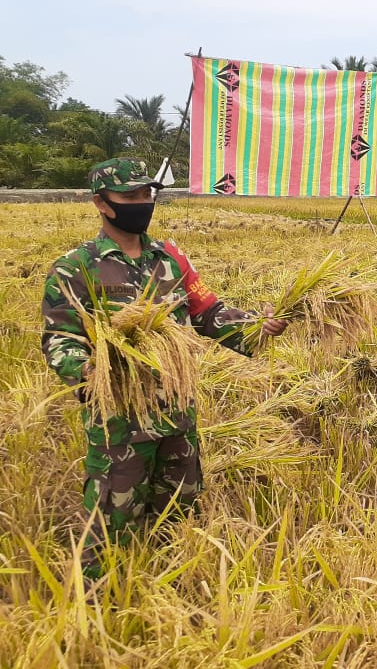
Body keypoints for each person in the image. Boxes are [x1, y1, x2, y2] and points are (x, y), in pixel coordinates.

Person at [41, 157, 288, 580]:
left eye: (146, 193)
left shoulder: (170, 259)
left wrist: (255, 326)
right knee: (112, 524)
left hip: (177, 414)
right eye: (130, 196)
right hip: (121, 422)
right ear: (101, 203)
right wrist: (92, 371)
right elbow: (59, 338)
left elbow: (207, 313)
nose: (142, 202)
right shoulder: (76, 267)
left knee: (178, 515)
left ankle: (169, 587)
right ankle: (101, 602)